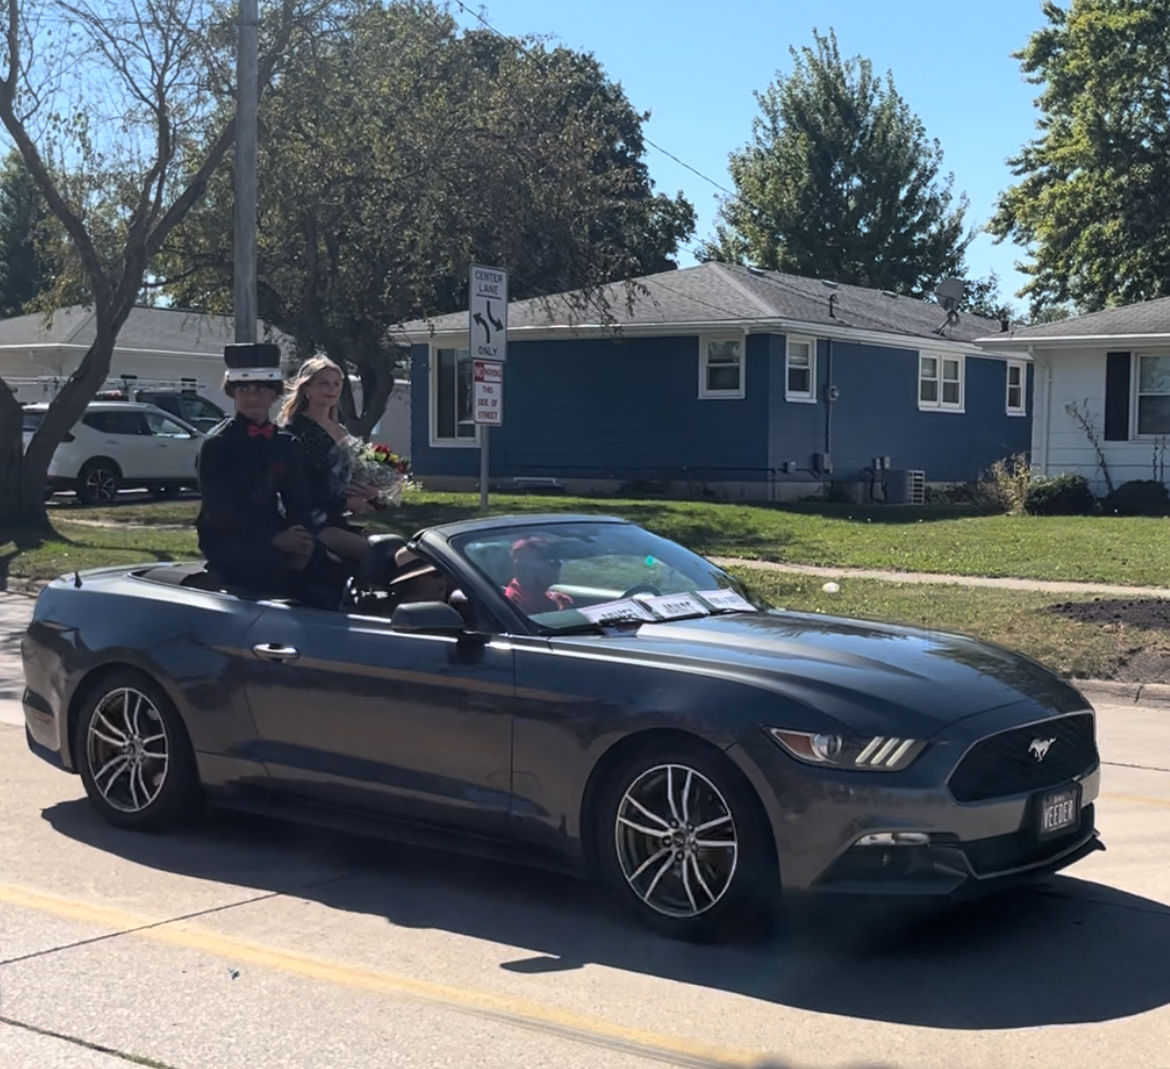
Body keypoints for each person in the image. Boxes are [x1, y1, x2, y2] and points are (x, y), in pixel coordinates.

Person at [195, 342, 349, 607]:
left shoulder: (286, 443)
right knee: (296, 591)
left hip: (281, 536)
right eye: (244, 389)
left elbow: (298, 501)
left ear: (274, 394)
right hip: (233, 545)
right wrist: (273, 539)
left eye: (261, 389)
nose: (252, 397)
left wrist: (303, 540)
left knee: (341, 579)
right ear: (233, 393)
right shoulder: (217, 445)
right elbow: (220, 514)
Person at [278, 355, 378, 569]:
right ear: (306, 388)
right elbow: (298, 487)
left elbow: (348, 476)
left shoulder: (340, 430)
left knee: (401, 550)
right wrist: (344, 503)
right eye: (323, 383)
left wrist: (368, 492)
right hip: (311, 524)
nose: (331, 389)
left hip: (338, 519)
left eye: (336, 383)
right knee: (377, 556)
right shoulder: (294, 431)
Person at [504, 537, 574, 615]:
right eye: (549, 561)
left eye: (558, 560)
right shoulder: (512, 605)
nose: (558, 565)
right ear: (521, 567)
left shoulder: (560, 599)